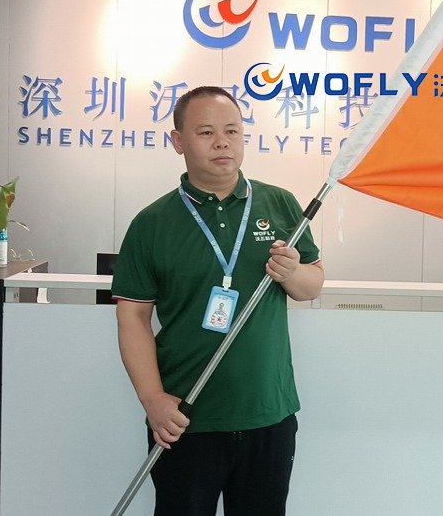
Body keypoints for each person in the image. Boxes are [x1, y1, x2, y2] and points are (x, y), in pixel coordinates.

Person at [111, 86, 324, 515]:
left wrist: (292, 272)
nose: (222, 142)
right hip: (185, 416)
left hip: (268, 413)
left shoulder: (279, 203)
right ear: (178, 141)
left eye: (232, 130)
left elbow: (311, 286)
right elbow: (132, 316)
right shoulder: (152, 223)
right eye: (206, 132)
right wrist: (153, 400)